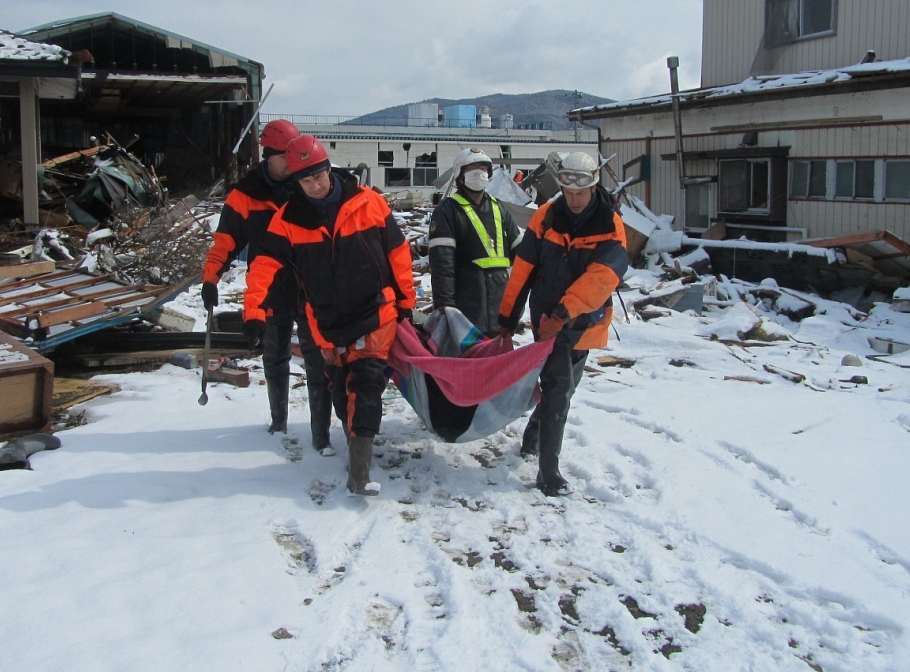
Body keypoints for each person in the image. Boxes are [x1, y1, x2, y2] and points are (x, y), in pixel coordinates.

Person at [244, 135, 416, 496]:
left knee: (367, 386)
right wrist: (254, 311)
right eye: (306, 181)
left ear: (329, 169)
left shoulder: (369, 203)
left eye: (319, 176)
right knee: (342, 392)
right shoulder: (288, 219)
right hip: (327, 323)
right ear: (296, 182)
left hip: (375, 311)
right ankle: (355, 440)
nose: (316, 185)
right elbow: (263, 266)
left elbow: (398, 253)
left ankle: (359, 473)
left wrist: (406, 302)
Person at [497, 151, 628, 496]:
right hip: (546, 318)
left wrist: (563, 313)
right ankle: (548, 472)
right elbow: (524, 268)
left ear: (593, 187)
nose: (573, 200)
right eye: (568, 193)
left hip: (583, 321)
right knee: (556, 391)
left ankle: (532, 439)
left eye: (579, 194)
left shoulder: (610, 224)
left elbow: (603, 277)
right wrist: (508, 317)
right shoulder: (547, 216)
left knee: (566, 389)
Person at [200, 119, 334, 454]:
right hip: (270, 287)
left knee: (318, 360)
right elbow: (225, 242)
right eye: (283, 158)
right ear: (267, 155)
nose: (290, 165)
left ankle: (321, 433)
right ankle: (278, 423)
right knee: (274, 356)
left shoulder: (303, 185)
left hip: (310, 286)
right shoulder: (245, 195)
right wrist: (210, 278)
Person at [427, 148, 520, 336]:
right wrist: (445, 305)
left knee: (498, 361)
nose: (479, 172)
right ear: (460, 175)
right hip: (466, 304)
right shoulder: (447, 210)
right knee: (468, 361)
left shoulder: (499, 208)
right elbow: (442, 264)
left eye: (483, 167)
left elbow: (523, 257)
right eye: (472, 167)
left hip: (498, 304)